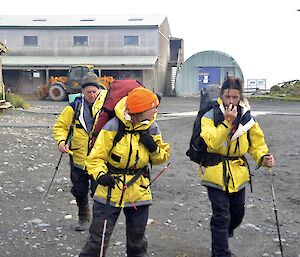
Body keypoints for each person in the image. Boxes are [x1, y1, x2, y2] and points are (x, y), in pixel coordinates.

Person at [79, 87, 170, 257]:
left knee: (137, 242)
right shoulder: (113, 126)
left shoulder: (152, 127)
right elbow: (94, 158)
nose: (156, 111)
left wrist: (152, 146)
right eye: (153, 107)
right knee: (97, 241)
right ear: (140, 110)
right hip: (109, 190)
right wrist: (100, 176)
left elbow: (161, 158)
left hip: (139, 191)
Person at [199, 77, 275, 257]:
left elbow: (256, 143)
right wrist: (227, 122)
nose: (231, 101)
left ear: (240, 97)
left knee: (237, 213)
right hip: (215, 170)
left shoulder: (247, 118)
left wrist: (263, 157)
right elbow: (212, 142)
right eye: (227, 97)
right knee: (221, 215)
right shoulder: (210, 115)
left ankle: (223, 232)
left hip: (238, 172)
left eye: (235, 97)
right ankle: (220, 252)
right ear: (221, 95)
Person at [52, 72, 107, 231]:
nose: (91, 94)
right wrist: (62, 141)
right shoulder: (73, 107)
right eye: (88, 91)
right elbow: (60, 126)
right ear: (82, 91)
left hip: (99, 158)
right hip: (78, 157)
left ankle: (98, 222)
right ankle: (84, 216)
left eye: (94, 91)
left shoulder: (106, 108)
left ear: (99, 91)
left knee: (99, 191)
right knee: (79, 190)